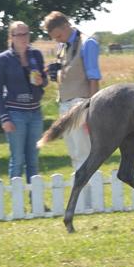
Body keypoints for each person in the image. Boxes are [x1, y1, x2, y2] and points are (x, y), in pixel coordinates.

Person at [42, 11, 102, 178]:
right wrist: (57, 73)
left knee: (85, 154)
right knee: (75, 154)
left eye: (59, 35)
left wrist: (91, 111)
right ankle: (82, 199)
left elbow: (93, 78)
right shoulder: (62, 46)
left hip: (80, 104)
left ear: (66, 25)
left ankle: (91, 199)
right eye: (54, 37)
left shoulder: (87, 43)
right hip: (64, 104)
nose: (57, 40)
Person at [0, 21, 46, 182]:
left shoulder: (36, 55)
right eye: (19, 34)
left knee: (33, 160)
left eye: (26, 33)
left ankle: (35, 201)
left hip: (35, 113)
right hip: (15, 114)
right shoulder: (3, 59)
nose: (23, 37)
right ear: (11, 37)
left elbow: (43, 82)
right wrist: (4, 118)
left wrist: (42, 81)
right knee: (17, 160)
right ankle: (17, 204)